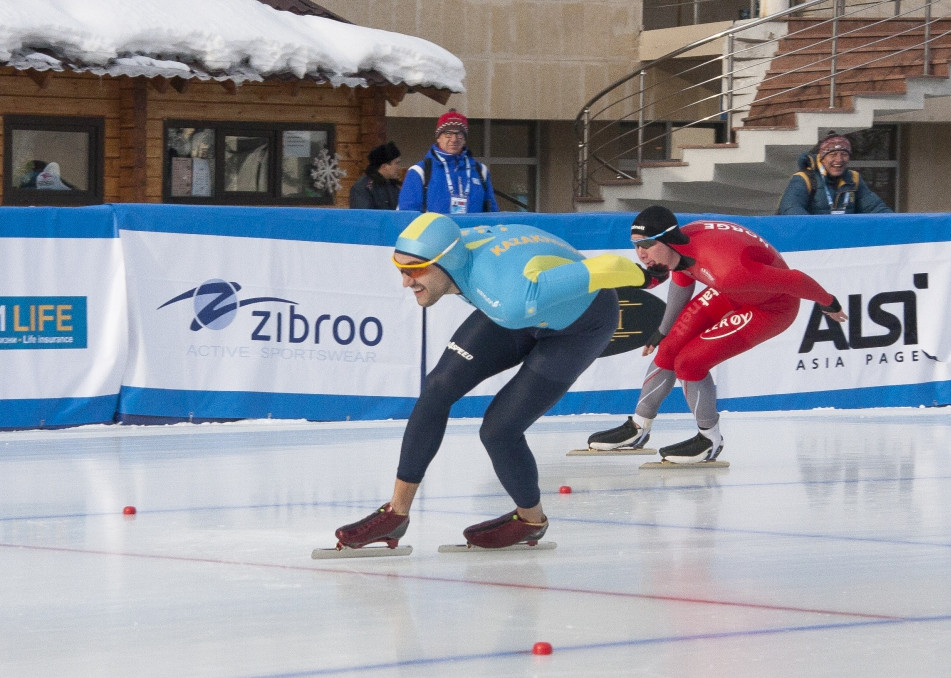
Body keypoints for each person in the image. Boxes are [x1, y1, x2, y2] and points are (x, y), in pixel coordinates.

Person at [331, 212, 664, 552]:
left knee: (498, 430)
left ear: (446, 261)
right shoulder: (464, 253)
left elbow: (603, 268)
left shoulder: (509, 299)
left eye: (415, 270)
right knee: (437, 389)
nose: (405, 281)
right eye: (400, 269)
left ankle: (531, 520)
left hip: (579, 324)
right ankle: (396, 514)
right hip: (520, 298)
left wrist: (648, 277)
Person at [587, 205, 848, 462]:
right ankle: (638, 428)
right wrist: (662, 330)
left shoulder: (729, 273)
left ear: (667, 241)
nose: (640, 254)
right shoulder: (681, 248)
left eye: (646, 245)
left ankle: (709, 440)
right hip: (731, 290)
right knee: (668, 348)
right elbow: (682, 282)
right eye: (635, 245)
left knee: (689, 363)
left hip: (771, 308)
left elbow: (796, 280)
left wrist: (829, 303)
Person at [397, 109, 498, 214]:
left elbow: (492, 213)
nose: (454, 139)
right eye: (448, 134)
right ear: (438, 138)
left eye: (459, 134)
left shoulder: (480, 171)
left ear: (464, 139)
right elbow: (406, 215)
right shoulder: (420, 171)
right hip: (434, 230)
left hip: (473, 230)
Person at [777, 132, 892, 215]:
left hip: (843, 242)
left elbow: (875, 208)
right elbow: (790, 208)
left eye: (844, 154)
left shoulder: (854, 179)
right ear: (822, 158)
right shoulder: (804, 178)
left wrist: (897, 223)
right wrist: (815, 230)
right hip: (814, 242)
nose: (839, 160)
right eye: (833, 154)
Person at [349, 141, 403, 209]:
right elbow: (362, 216)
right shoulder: (364, 188)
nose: (399, 167)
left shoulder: (395, 186)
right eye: (397, 163)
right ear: (384, 166)